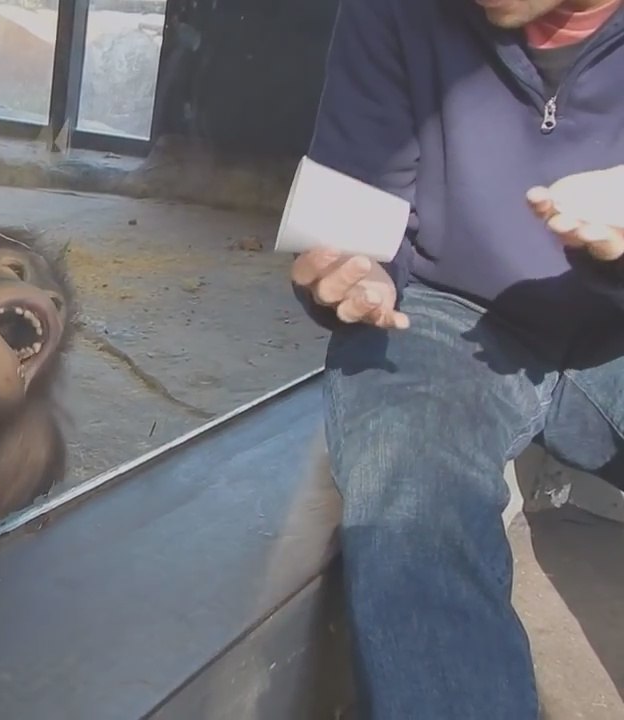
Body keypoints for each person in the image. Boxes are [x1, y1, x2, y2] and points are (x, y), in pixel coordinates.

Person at [289, 0, 623, 718]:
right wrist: (358, 273)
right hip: (454, 313)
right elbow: (357, 215)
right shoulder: (391, 13)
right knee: (408, 478)